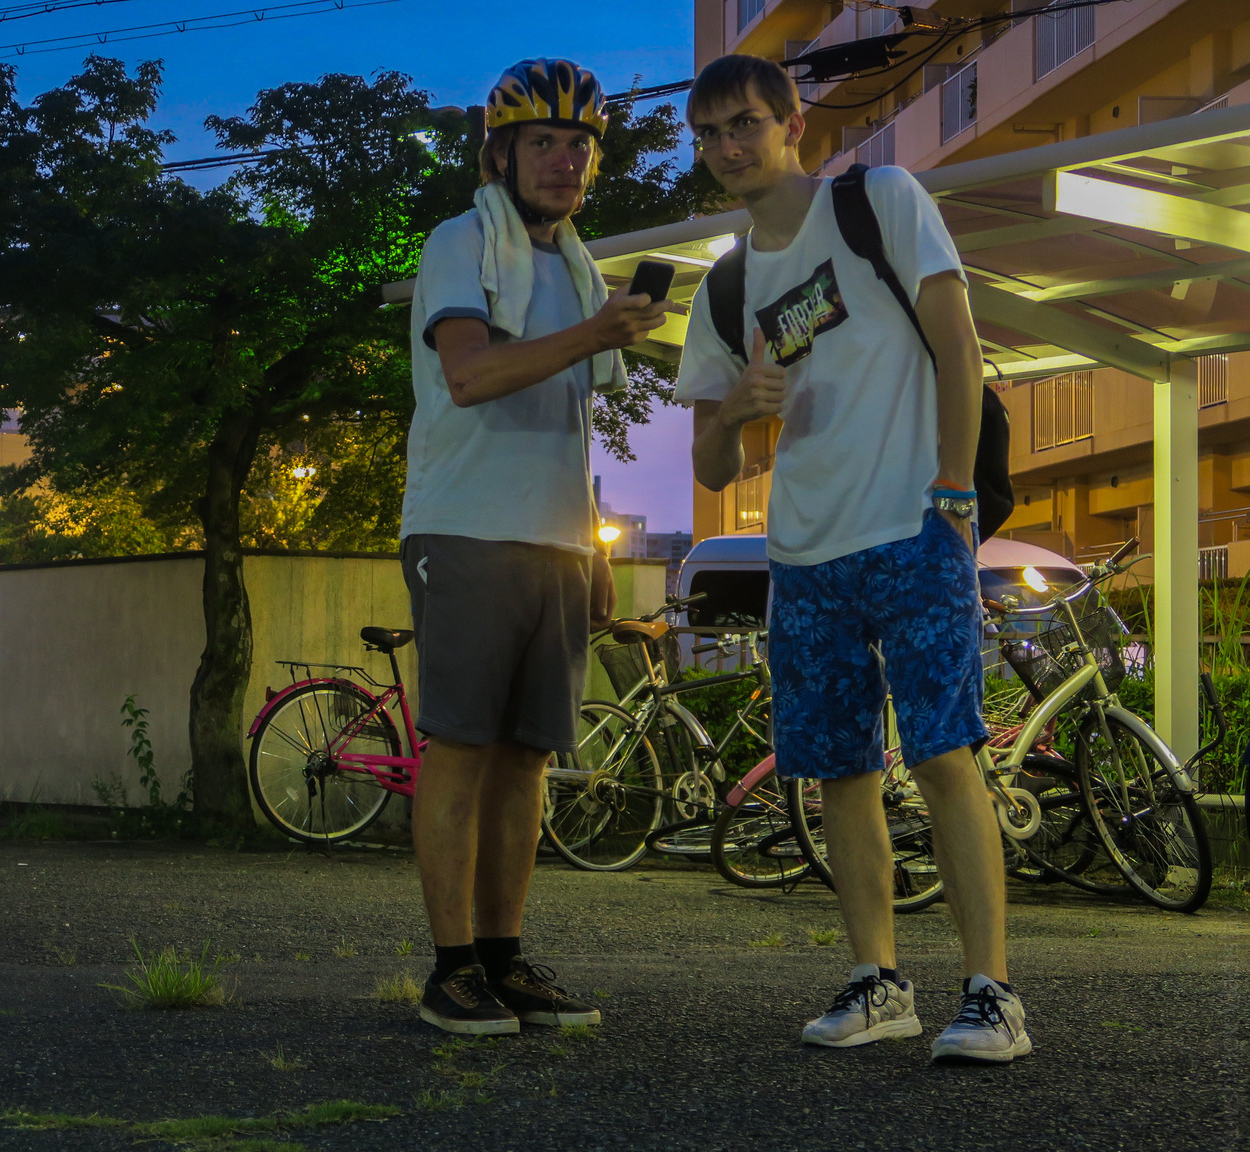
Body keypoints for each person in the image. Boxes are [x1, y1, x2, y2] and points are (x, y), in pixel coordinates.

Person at [674, 54, 1030, 1064]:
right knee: (836, 769)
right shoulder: (729, 282)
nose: (727, 149)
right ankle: (877, 982)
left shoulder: (875, 200)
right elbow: (711, 461)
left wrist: (953, 490)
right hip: (802, 555)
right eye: (707, 135)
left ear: (792, 122)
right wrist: (738, 408)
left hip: (913, 524)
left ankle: (991, 993)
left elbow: (954, 339)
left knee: (941, 751)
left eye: (743, 125)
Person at [402, 58, 678, 1036]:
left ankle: (503, 959)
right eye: (542, 143)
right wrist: (598, 329)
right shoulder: (457, 242)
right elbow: (470, 374)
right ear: (500, 154)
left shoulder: (574, 265)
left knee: (526, 757)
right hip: (464, 526)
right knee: (463, 747)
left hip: (555, 539)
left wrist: (594, 543)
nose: (564, 161)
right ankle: (446, 970)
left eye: (579, 144)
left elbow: (568, 411)